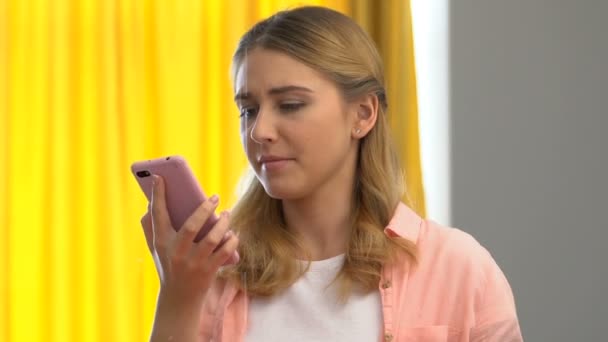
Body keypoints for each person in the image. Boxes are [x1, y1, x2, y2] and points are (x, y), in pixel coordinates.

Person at [140, 6, 523, 342]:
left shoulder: (461, 270)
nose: (259, 131)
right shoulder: (214, 278)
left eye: (289, 104)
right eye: (248, 110)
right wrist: (178, 298)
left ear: (362, 115)